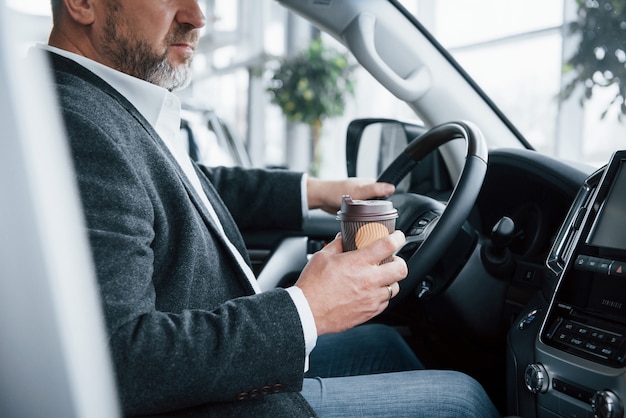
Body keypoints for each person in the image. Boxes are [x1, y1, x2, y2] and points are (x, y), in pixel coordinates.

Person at [42, 0, 501, 416]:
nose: (197, 17)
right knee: (463, 401)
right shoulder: (78, 125)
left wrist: (320, 191)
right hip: (208, 402)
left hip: (220, 369)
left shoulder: (100, 102)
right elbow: (121, 362)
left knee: (386, 344)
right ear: (83, 3)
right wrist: (309, 307)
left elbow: (193, 185)